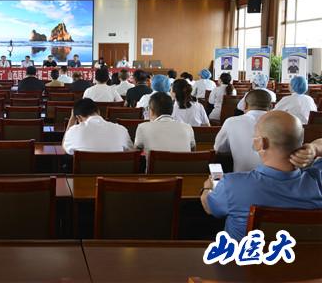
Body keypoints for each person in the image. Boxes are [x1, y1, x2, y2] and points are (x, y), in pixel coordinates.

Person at [202, 111, 322, 241]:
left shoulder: (231, 185)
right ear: (301, 141)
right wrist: (314, 148)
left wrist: (207, 188)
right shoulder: (318, 179)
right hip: (305, 253)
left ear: (261, 143)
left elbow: (210, 208)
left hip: (246, 254)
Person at [214, 90, 272, 172]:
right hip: (276, 178)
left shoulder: (231, 122)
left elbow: (219, 149)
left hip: (241, 176)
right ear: (271, 106)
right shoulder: (282, 123)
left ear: (245, 105)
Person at [135, 92, 195, 162]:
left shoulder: (142, 127)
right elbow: (192, 151)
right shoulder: (187, 127)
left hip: (155, 169)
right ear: (172, 110)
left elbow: (136, 154)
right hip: (184, 168)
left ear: (151, 111)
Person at [62, 98, 133, 155]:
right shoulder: (121, 129)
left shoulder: (74, 131)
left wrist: (71, 120)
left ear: (79, 118)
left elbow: (64, 148)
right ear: (98, 112)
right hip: (117, 169)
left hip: (86, 169)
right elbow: (131, 151)